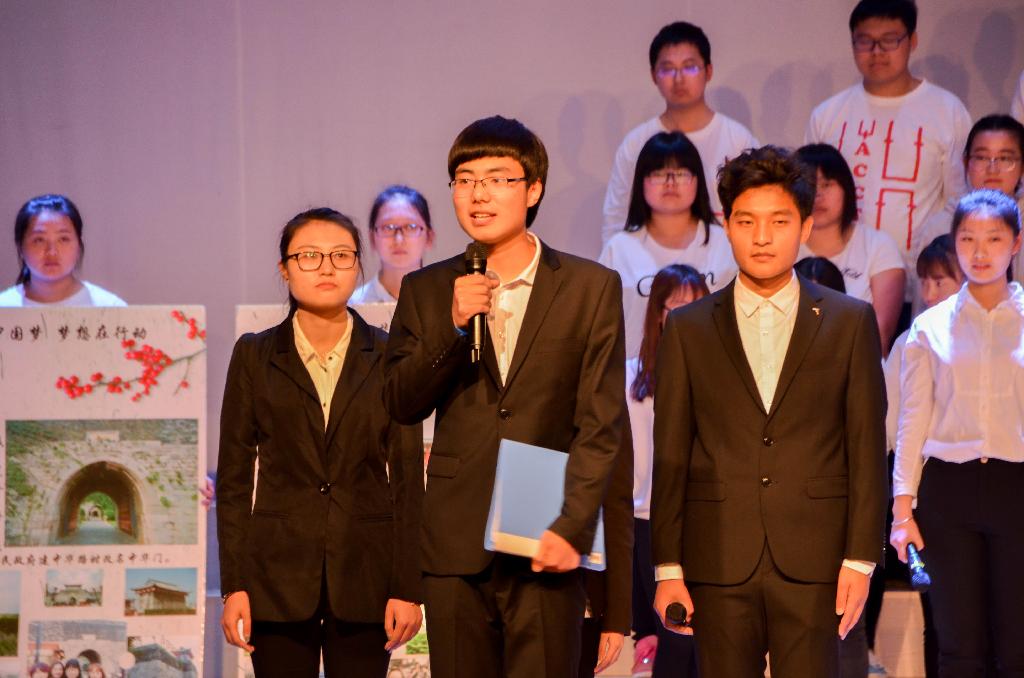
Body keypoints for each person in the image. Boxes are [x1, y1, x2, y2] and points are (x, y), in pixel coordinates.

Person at [384, 115, 626, 677]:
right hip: (455, 540)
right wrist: (452, 326)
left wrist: (572, 525)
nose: (478, 195)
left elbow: (601, 423)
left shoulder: (589, 287)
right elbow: (399, 401)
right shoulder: (426, 288)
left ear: (533, 189)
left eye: (497, 179)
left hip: (545, 531)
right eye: (465, 180)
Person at [651, 145, 888, 677]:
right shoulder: (688, 328)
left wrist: (860, 558)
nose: (762, 236)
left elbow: (866, 448)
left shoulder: (849, 322)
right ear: (726, 224)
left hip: (816, 557)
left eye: (779, 221)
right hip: (717, 556)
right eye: (746, 221)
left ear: (805, 226)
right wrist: (668, 566)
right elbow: (671, 455)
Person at [217, 207, 424, 677]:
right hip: (276, 578)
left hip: (367, 573)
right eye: (309, 255)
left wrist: (408, 588)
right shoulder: (254, 355)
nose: (326, 267)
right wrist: (235, 585)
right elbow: (233, 480)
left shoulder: (390, 354)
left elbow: (409, 478)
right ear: (285, 268)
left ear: (357, 265)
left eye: (340, 255)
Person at [891, 189, 1024, 676]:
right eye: (968, 239)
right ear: (955, 242)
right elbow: (912, 421)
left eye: (994, 238)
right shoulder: (929, 328)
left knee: (1018, 646)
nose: (980, 252)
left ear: (1016, 243)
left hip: (1017, 486)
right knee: (959, 647)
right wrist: (902, 509)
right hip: (948, 489)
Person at [804, 0, 970, 302]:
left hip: (921, 284)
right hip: (841, 283)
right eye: (865, 41)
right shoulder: (828, 115)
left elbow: (958, 201)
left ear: (912, 41)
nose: (877, 51)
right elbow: (806, 194)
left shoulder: (947, 111)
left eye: (890, 40)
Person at [870, 234, 961, 678]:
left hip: (984, 487)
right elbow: (892, 428)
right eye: (924, 281)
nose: (929, 292)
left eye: (941, 281)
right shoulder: (912, 339)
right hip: (923, 497)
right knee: (937, 611)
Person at [602, 21, 758, 242]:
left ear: (709, 71)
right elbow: (616, 219)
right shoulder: (636, 143)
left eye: (690, 67)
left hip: (722, 257)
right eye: (667, 69)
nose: (679, 79)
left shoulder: (738, 140)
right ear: (653, 75)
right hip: (649, 259)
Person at [628, 265, 708, 678]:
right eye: (675, 305)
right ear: (657, 313)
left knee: (704, 641)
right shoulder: (629, 377)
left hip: (705, 520)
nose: (685, 315)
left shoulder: (718, 376)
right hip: (646, 520)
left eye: (696, 305)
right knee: (669, 636)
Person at [600, 131, 737, 358]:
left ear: (698, 180)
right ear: (641, 182)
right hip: (638, 374)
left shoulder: (725, 243)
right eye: (659, 173)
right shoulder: (620, 249)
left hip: (712, 367)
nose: (670, 183)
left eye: (681, 173)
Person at [795, 144, 905, 351]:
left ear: (846, 189)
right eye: (809, 185)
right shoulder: (781, 247)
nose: (818, 195)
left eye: (827, 184)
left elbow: (879, 336)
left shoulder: (878, 246)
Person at [917, 115, 1024, 288]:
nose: (992, 169)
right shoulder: (940, 227)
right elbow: (925, 297)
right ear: (966, 162)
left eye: (1005, 159)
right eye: (981, 158)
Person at [0, 194, 125, 306]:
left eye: (63, 239)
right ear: (20, 248)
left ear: (79, 245)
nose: (52, 252)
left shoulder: (110, 307)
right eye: (39, 240)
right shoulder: (5, 308)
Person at [351, 185, 435, 304]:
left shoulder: (449, 300)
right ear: (372, 238)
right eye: (388, 227)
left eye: (411, 227)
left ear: (429, 237)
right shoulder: (353, 305)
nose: (399, 239)